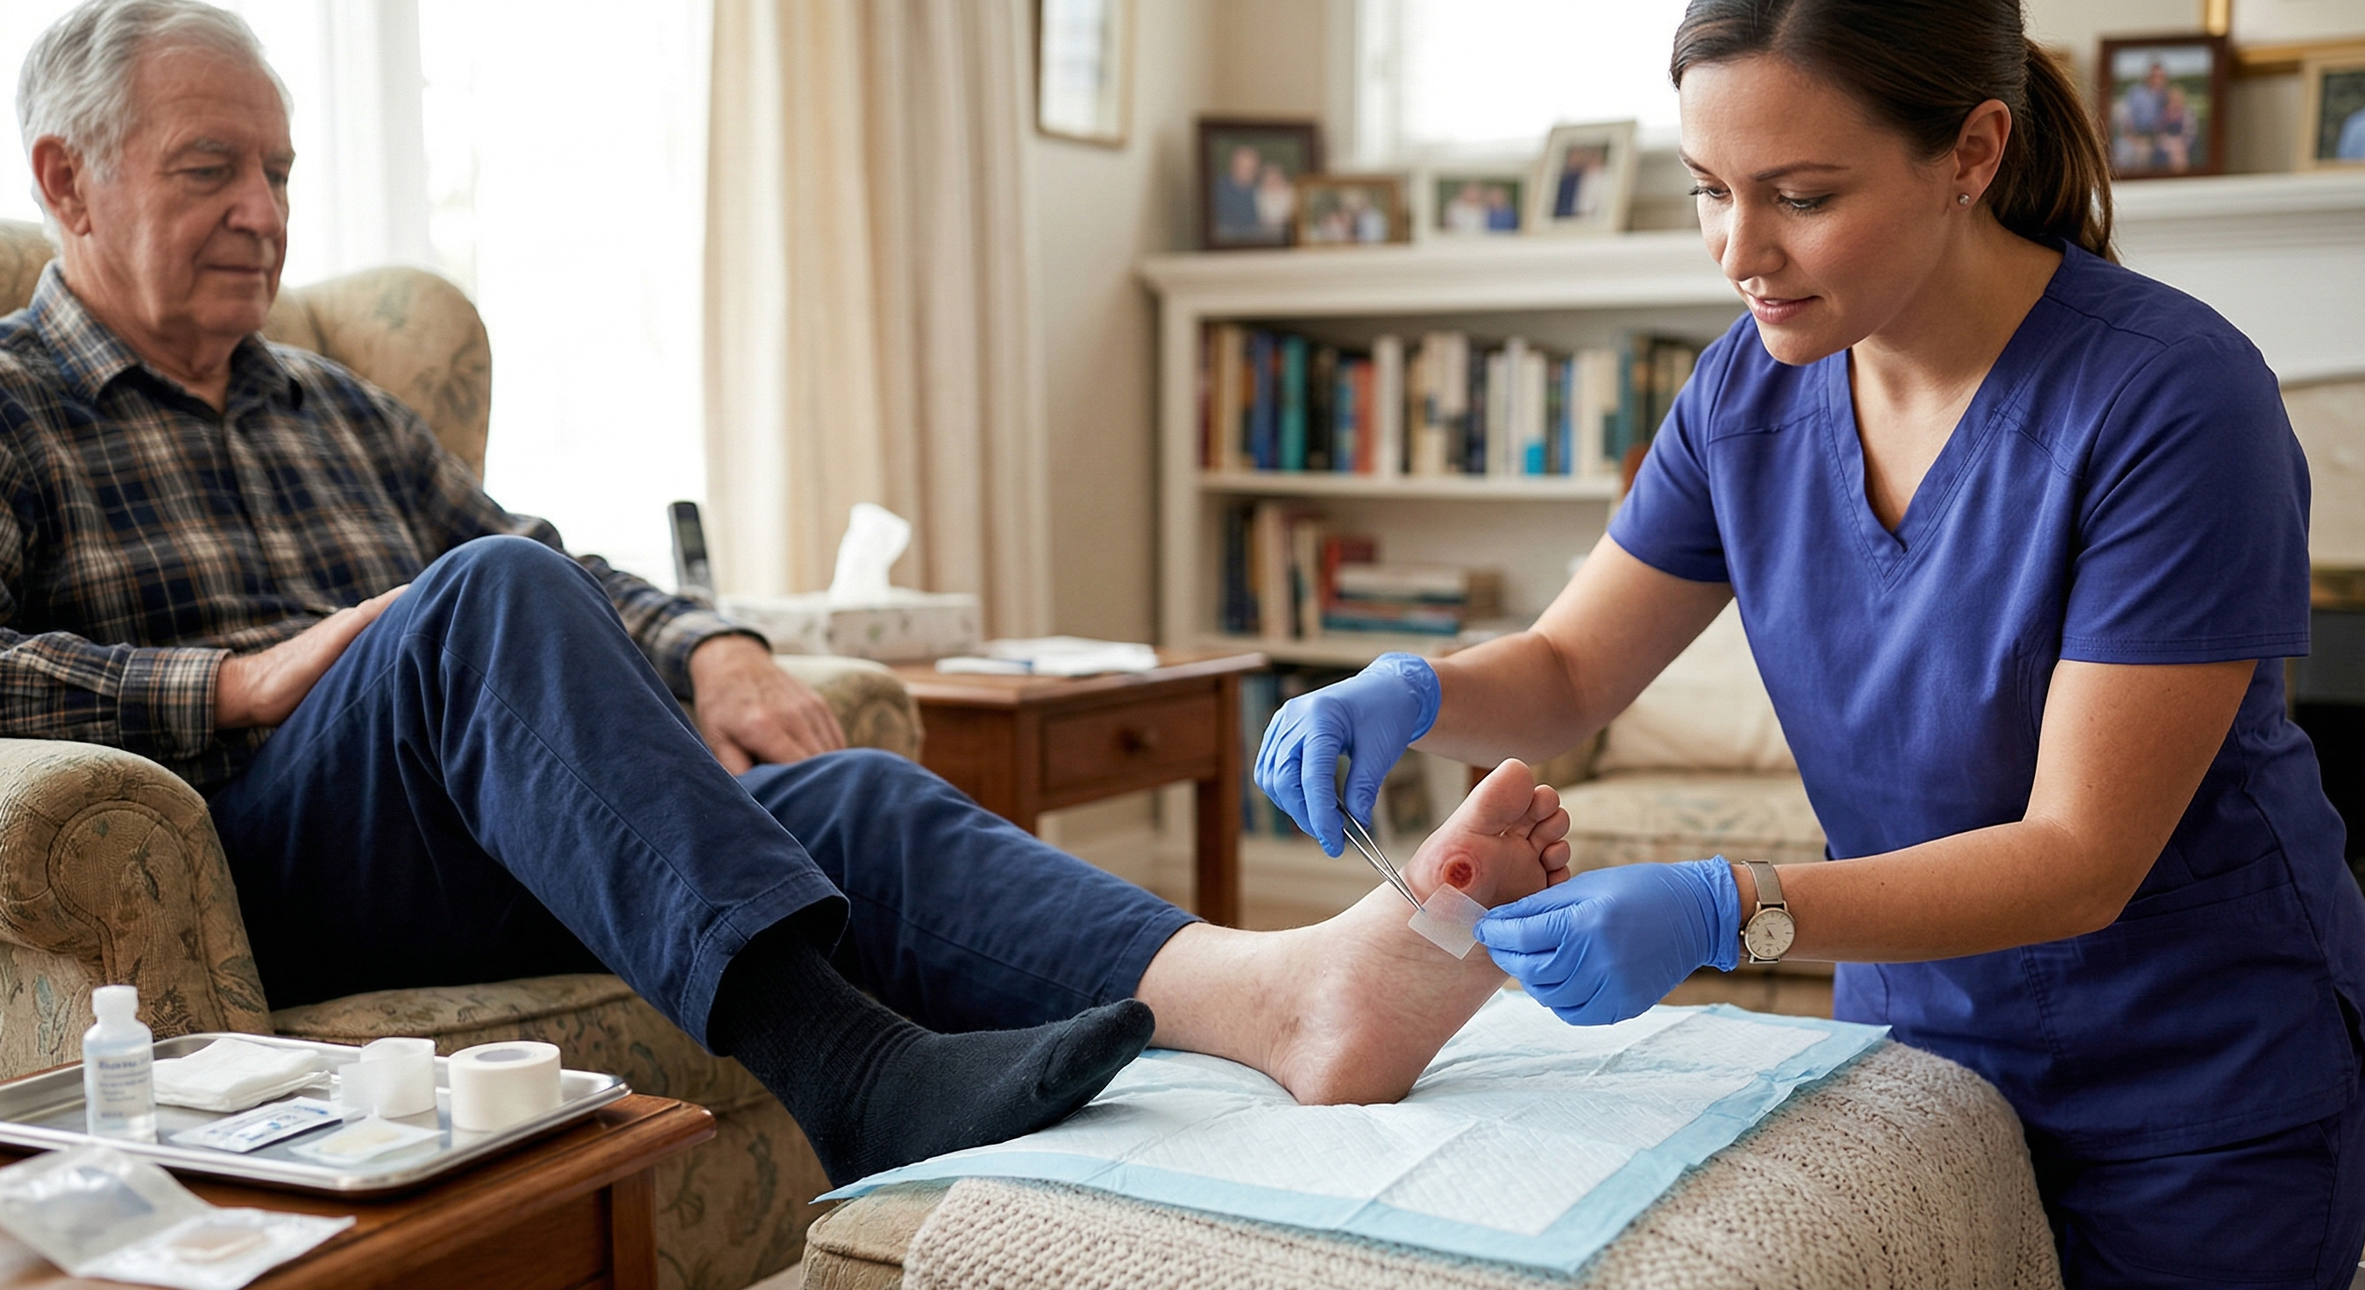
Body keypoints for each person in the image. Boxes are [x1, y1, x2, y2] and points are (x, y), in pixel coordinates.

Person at [3, 0, 1577, 1192]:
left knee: (846, 794)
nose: (264, 211)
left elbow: (567, 566)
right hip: (248, 842)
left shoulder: (333, 404)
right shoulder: (17, 402)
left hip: (456, 820)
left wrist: (720, 644)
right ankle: (852, 1066)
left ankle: (1284, 998)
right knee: (488, 594)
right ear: (65, 180)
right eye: (210, 169)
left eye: (277, 171)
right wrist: (232, 684)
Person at [1257, 1, 2365, 1285]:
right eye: (1709, 190)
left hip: (2195, 1080)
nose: (1740, 250)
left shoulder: (2174, 402)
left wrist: (1726, 908)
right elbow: (1568, 674)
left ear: (1971, 152)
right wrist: (1406, 689)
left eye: (1799, 194)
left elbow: (2080, 858)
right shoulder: (1748, 387)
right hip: (1912, 1044)